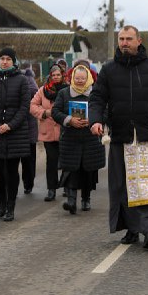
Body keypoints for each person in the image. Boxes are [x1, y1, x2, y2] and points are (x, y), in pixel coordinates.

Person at [89, 25, 148, 249]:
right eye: (121, 39)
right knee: (122, 185)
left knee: (146, 182)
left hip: (145, 136)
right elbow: (97, 98)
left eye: (128, 39)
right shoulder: (109, 69)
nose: (124, 42)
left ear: (138, 41)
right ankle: (131, 229)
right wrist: (96, 120)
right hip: (120, 136)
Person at [0, 47, 32, 222]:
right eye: (2, 58)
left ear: (13, 61)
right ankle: (1, 200)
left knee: (11, 171)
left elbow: (25, 107)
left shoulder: (22, 81)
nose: (4, 61)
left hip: (15, 133)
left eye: (8, 59)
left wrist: (10, 125)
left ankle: (11, 205)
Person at [52, 65, 105, 214]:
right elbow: (55, 111)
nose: (80, 81)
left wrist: (94, 120)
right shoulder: (64, 93)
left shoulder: (95, 93)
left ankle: (86, 199)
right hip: (70, 138)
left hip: (90, 138)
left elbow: (105, 111)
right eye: (77, 78)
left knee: (88, 170)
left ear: (88, 78)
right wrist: (69, 120)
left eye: (83, 78)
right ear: (72, 78)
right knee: (71, 169)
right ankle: (71, 200)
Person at [30, 64, 67, 202]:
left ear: (62, 75)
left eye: (58, 75)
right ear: (50, 77)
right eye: (54, 75)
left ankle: (67, 187)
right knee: (51, 160)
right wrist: (44, 113)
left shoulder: (68, 89)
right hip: (48, 131)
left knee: (66, 160)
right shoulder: (43, 90)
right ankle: (51, 189)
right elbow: (33, 105)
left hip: (65, 130)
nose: (56, 77)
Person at [21, 66, 39, 194]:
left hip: (29, 125)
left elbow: (35, 93)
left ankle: (28, 183)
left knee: (29, 158)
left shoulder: (29, 79)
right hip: (14, 126)